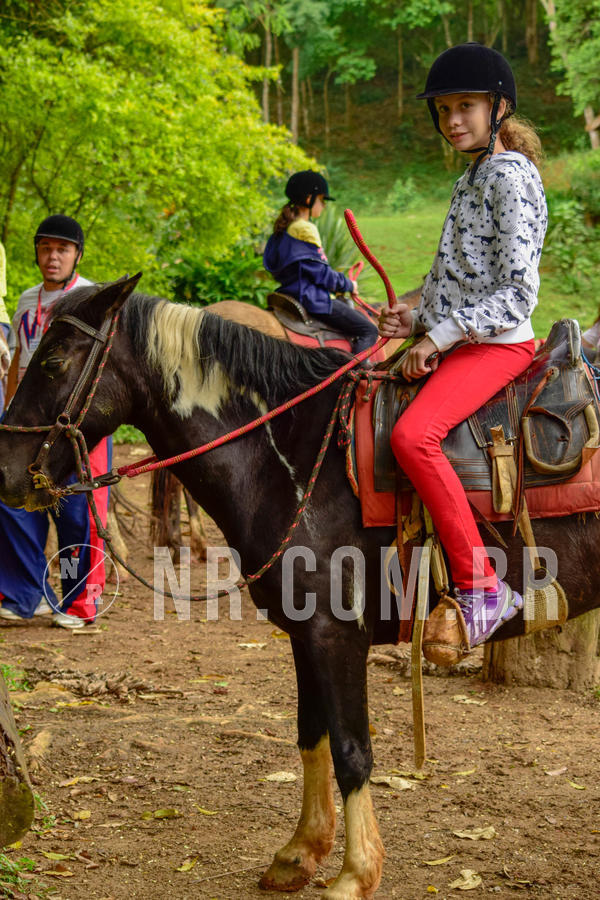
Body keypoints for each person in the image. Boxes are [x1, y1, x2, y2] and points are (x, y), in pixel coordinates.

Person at [379, 43, 547, 650]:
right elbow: (460, 279)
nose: (453, 119)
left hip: (498, 345)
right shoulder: (471, 176)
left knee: (411, 436)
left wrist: (441, 337)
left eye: (466, 106)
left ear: (498, 107)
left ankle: (482, 586)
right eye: (445, 109)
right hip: (464, 338)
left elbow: (517, 294)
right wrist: (414, 315)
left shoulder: (509, 177)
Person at [0, 215, 112, 629]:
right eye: (46, 248)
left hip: (74, 420)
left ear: (77, 255)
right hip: (29, 422)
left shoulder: (91, 297)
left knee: (74, 513)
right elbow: (16, 363)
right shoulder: (27, 300)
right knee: (15, 505)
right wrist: (10, 414)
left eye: (62, 249)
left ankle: (77, 598)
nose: (53, 257)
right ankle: (24, 593)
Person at [263, 170, 379, 354]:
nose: (323, 206)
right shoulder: (305, 228)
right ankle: (358, 376)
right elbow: (320, 274)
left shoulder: (285, 229)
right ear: (309, 199)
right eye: (322, 200)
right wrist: (349, 284)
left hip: (289, 293)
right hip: (311, 298)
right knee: (369, 329)